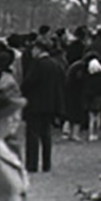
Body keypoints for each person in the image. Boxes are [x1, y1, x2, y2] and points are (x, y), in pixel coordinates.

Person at [20, 40, 64, 174]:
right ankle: (46, 164)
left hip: (35, 104)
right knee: (46, 134)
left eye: (34, 49)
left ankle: (32, 164)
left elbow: (28, 83)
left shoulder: (37, 65)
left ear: (39, 50)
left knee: (32, 135)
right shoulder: (55, 64)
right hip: (50, 104)